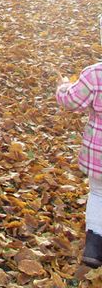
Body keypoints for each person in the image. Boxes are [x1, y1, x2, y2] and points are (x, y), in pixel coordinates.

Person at [56, 61, 102, 268]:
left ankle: (94, 244)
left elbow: (72, 100)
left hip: (100, 153)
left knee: (99, 194)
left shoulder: (96, 73)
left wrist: (63, 87)